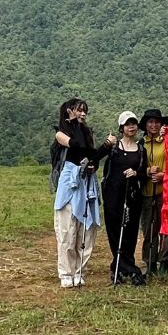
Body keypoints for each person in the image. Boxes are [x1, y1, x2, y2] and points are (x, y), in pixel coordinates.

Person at [53, 98, 116, 288]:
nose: (83, 114)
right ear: (69, 111)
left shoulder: (86, 132)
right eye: (79, 110)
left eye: (84, 111)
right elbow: (77, 145)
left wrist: (105, 146)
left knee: (87, 229)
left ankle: (80, 269)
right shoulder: (60, 133)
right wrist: (73, 122)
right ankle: (66, 272)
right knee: (67, 229)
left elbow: (91, 158)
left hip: (86, 182)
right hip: (70, 183)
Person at [101, 111, 146, 286]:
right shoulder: (114, 148)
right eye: (128, 124)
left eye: (134, 123)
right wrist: (105, 145)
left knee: (130, 231)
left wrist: (136, 173)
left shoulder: (141, 150)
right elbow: (97, 160)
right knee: (114, 230)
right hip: (113, 195)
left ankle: (120, 267)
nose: (131, 127)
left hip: (133, 196)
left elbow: (144, 173)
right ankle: (127, 267)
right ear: (121, 128)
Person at [138, 108, 168, 278]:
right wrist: (147, 171)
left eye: (156, 122)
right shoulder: (140, 144)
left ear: (161, 124)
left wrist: (163, 176)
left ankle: (165, 262)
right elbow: (136, 166)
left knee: (167, 228)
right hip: (146, 193)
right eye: (150, 122)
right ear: (145, 125)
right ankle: (150, 263)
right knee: (148, 229)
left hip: (167, 192)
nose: (153, 125)